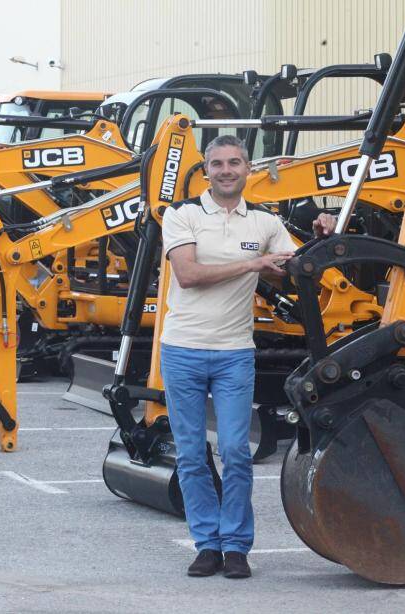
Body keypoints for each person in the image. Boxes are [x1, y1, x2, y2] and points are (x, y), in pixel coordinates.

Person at [160, 134, 298, 579]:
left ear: (248, 168)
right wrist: (253, 264)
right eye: (217, 163)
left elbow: (296, 271)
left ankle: (236, 546)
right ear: (205, 170)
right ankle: (207, 544)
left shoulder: (265, 223)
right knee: (191, 453)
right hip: (182, 349)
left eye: (234, 162)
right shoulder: (182, 214)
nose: (225, 170)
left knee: (237, 451)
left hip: (235, 353)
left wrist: (321, 236)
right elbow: (189, 274)